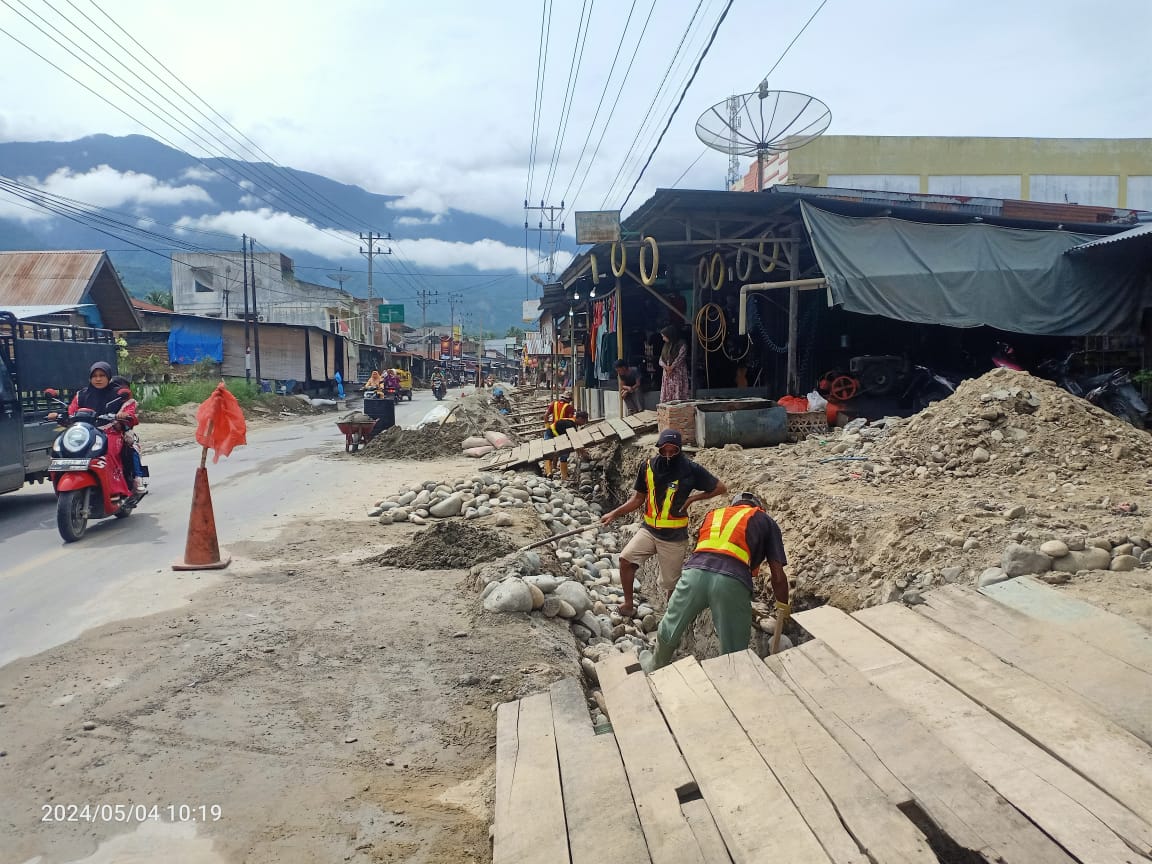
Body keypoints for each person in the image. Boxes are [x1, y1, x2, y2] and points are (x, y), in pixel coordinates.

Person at [642, 491, 790, 672]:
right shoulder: (766, 520)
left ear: (733, 505)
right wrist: (784, 609)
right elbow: (778, 576)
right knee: (734, 649)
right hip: (731, 581)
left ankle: (655, 665)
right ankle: (731, 679)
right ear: (759, 507)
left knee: (671, 622)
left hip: (694, 574)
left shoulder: (714, 514)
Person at [600, 428, 727, 615]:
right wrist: (614, 513)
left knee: (670, 584)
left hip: (674, 537)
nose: (668, 455)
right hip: (649, 530)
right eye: (664, 450)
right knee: (626, 559)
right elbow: (638, 498)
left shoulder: (690, 469)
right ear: (658, 448)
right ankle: (628, 605)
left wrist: (693, 498)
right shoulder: (648, 467)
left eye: (672, 451)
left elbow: (720, 488)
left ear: (679, 450)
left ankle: (670, 618)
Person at [63, 362, 137, 499]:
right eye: (94, 376)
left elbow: (129, 410)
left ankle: (116, 490)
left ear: (108, 377)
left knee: (109, 451)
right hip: (85, 433)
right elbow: (72, 411)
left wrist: (123, 415)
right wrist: (58, 416)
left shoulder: (118, 394)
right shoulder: (82, 395)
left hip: (109, 432)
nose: (98, 379)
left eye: (102, 375)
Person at [110, 375, 147, 495]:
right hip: (100, 432)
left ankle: (138, 478)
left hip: (121, 432)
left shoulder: (129, 402)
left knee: (131, 448)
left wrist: (124, 417)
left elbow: (132, 416)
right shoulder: (101, 398)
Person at [549, 409, 589, 481]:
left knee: (560, 451)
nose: (584, 423)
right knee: (563, 452)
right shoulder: (570, 425)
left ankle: (555, 469)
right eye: (584, 421)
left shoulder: (573, 423)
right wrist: (583, 453)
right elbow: (575, 441)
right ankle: (563, 476)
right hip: (551, 433)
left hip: (556, 433)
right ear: (580, 418)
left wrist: (580, 452)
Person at [542, 391, 574, 478]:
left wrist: (547, 427)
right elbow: (570, 421)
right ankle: (564, 476)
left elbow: (545, 416)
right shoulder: (569, 407)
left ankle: (549, 471)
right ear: (569, 399)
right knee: (564, 452)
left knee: (549, 450)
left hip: (552, 429)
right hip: (562, 432)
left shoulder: (554, 404)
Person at [659, 324, 689, 402]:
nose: (663, 339)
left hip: (677, 372)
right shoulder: (666, 346)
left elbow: (680, 357)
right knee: (667, 392)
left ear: (670, 335)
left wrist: (671, 367)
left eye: (664, 336)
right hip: (667, 373)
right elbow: (661, 359)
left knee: (677, 390)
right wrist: (666, 367)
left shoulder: (681, 344)